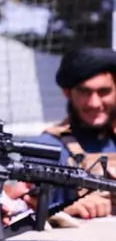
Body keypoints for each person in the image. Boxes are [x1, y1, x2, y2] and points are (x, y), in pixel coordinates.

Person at [34, 47, 116, 219]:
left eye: (104, 91)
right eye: (84, 92)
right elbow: (20, 208)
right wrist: (63, 209)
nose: (94, 103)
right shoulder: (47, 150)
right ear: (67, 92)